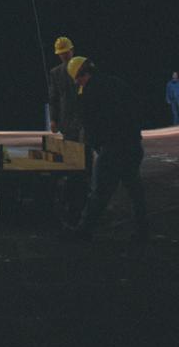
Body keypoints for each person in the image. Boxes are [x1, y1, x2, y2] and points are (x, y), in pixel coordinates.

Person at [65, 55, 147, 245]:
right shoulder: (117, 83)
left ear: (80, 76)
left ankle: (84, 231)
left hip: (112, 149)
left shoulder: (88, 94)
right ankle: (142, 232)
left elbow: (91, 128)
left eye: (77, 79)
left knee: (99, 192)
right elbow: (136, 108)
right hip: (133, 145)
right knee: (135, 191)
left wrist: (97, 147)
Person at [47, 35, 88, 224]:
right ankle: (75, 199)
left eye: (66, 52)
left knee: (85, 159)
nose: (64, 56)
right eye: (61, 54)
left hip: (84, 119)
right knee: (73, 160)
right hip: (68, 121)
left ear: (72, 50)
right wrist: (53, 119)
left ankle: (83, 198)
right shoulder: (56, 73)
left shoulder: (84, 66)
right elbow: (53, 98)